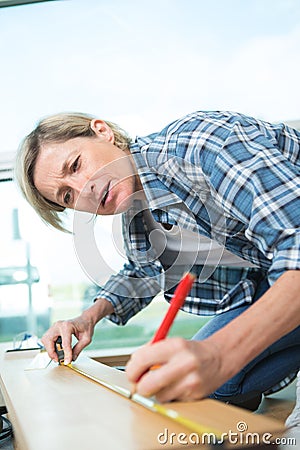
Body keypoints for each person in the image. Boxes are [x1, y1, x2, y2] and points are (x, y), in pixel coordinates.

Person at [15, 110, 300, 413]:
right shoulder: (136, 211)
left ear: (102, 131)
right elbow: (142, 272)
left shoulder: (198, 145)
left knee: (214, 367)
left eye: (76, 165)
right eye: (68, 197)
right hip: (272, 278)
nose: (85, 190)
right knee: (203, 383)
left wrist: (219, 354)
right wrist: (88, 318)